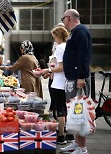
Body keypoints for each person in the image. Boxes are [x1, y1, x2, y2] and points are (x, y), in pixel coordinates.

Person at [60, 9, 92, 154]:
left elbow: (83, 55)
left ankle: (82, 148)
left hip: (77, 78)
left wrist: (81, 76)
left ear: (68, 18)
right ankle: (76, 143)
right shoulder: (76, 32)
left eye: (63, 19)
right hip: (72, 78)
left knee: (79, 113)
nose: (63, 22)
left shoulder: (80, 31)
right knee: (73, 112)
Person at [42, 26, 69, 144]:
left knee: (60, 111)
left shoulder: (59, 48)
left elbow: (62, 67)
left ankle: (61, 135)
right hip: (67, 83)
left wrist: (48, 70)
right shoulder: (68, 46)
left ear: (58, 36)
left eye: (54, 37)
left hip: (58, 83)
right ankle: (70, 135)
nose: (54, 39)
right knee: (66, 109)